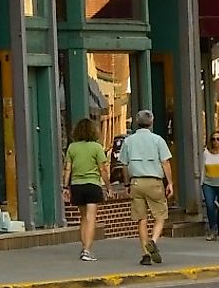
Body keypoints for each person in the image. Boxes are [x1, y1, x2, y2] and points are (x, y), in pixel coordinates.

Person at [115, 109, 174, 266]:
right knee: (160, 216)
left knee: (141, 218)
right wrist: (170, 182)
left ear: (136, 122)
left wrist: (127, 184)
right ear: (151, 122)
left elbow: (124, 166)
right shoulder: (158, 140)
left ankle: (145, 254)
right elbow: (165, 162)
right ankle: (153, 241)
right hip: (154, 181)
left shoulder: (128, 141)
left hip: (136, 182)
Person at [64, 118, 108, 262]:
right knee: (91, 218)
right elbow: (102, 169)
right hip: (92, 184)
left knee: (83, 218)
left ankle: (84, 247)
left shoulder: (72, 147)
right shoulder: (96, 147)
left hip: (77, 185)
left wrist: (65, 186)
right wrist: (108, 186)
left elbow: (68, 169)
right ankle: (87, 250)